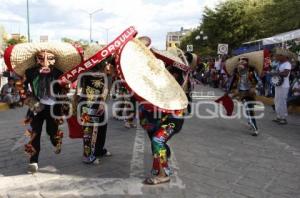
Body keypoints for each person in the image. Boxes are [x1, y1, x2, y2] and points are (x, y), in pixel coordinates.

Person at [78, 60, 112, 164]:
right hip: (86, 106)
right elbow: (79, 91)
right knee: (88, 131)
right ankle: (87, 156)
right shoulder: (84, 73)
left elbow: (105, 90)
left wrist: (101, 103)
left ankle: (98, 150)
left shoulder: (105, 75)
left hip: (98, 105)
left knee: (101, 128)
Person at [227, 56, 263, 136]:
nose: (241, 62)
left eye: (243, 61)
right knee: (248, 108)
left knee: (249, 109)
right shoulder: (236, 71)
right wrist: (229, 92)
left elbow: (259, 82)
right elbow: (231, 81)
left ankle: (253, 125)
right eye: (240, 60)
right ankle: (254, 126)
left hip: (250, 92)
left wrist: (255, 88)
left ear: (247, 62)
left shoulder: (252, 70)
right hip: (241, 92)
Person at [272, 48, 292, 125]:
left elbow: (286, 74)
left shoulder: (287, 64)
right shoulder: (280, 64)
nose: (276, 57)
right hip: (278, 84)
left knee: (282, 101)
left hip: (284, 86)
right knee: (277, 100)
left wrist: (275, 73)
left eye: (278, 56)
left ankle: (283, 118)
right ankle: (278, 116)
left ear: (283, 56)